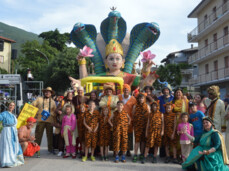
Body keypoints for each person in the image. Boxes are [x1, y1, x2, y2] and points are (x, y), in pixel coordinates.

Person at [32, 87, 57, 157]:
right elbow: (32, 105)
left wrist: (55, 122)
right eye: (46, 92)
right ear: (44, 92)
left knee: (50, 136)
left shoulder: (53, 102)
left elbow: (55, 112)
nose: (47, 93)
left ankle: (50, 148)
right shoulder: (39, 99)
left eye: (49, 92)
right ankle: (36, 149)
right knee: (38, 135)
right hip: (40, 119)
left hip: (50, 120)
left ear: (51, 93)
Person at [0, 102, 24, 168]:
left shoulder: (13, 115)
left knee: (14, 145)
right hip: (7, 131)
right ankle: (6, 161)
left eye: (13, 105)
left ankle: (13, 159)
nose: (11, 106)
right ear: (8, 106)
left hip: (13, 131)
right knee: (7, 146)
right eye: (10, 105)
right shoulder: (4, 114)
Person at [118, 84, 137, 157]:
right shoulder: (119, 97)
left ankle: (128, 150)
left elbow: (134, 109)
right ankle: (121, 149)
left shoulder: (133, 99)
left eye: (127, 90)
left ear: (129, 91)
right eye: (125, 89)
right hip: (120, 119)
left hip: (130, 119)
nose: (126, 91)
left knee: (129, 135)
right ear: (123, 90)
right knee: (120, 134)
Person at [132, 93, 150, 162]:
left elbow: (149, 115)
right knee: (137, 141)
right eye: (139, 98)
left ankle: (142, 154)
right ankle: (135, 154)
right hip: (137, 126)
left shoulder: (147, 106)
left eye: (142, 98)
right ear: (138, 99)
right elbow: (133, 115)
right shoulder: (135, 106)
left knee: (143, 141)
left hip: (145, 126)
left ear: (144, 99)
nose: (141, 99)